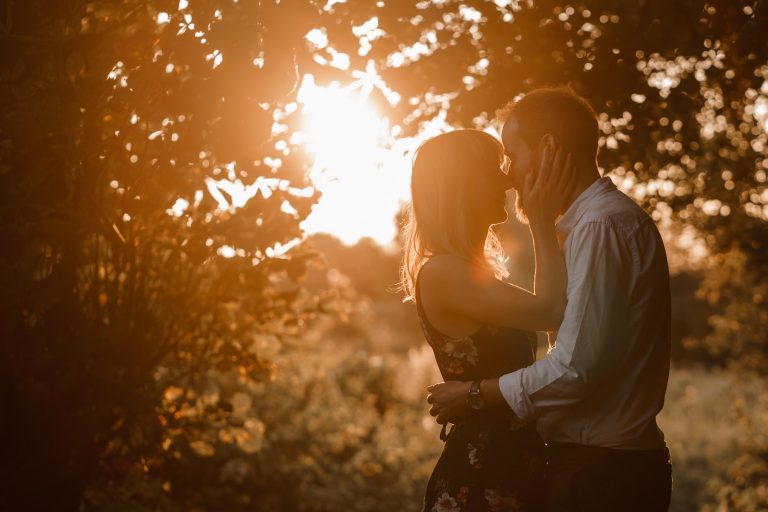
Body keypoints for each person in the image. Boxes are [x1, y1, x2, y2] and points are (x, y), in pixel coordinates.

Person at [426, 87, 673, 512]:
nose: (510, 175)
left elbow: (575, 368)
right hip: (590, 470)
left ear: (549, 148)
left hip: (601, 474)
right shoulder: (590, 227)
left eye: (511, 155)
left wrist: (474, 394)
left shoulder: (600, 228)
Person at [402, 127, 577, 511]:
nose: (508, 178)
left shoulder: (469, 269)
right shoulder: (445, 272)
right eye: (492, 168)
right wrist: (541, 221)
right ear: (460, 184)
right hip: (482, 481)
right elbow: (551, 310)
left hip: (510, 467)